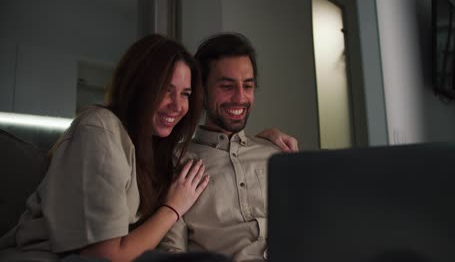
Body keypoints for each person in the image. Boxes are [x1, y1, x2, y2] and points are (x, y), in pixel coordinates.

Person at [0, 34, 296, 262]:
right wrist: (173, 207)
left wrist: (258, 143)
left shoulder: (153, 150)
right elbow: (109, 255)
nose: (178, 105)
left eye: (184, 93)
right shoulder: (101, 129)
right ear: (140, 85)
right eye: (166, 90)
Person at [158, 33, 298, 261]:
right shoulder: (176, 161)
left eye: (248, 86)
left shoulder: (276, 151)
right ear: (201, 90)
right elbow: (172, 251)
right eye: (227, 86)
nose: (240, 97)